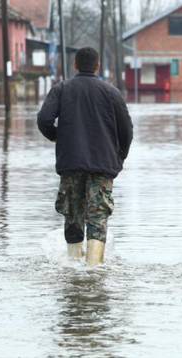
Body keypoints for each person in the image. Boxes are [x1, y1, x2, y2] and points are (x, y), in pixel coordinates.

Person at [37, 47, 133, 265]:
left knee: (72, 214)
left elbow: (44, 120)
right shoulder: (112, 93)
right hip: (103, 165)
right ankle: (93, 269)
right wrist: (120, 157)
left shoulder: (61, 89)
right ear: (98, 66)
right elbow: (126, 130)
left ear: (75, 65)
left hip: (70, 163)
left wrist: (57, 137)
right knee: (98, 215)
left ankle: (72, 264)